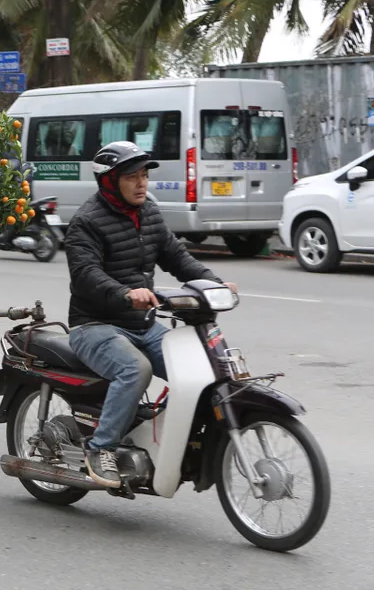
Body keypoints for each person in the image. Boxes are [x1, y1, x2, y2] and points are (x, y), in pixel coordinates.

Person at [64, 141, 237, 489]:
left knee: (201, 371)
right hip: (95, 326)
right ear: (110, 181)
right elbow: (86, 276)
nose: (142, 183)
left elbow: (177, 257)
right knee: (135, 369)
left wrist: (215, 285)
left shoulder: (149, 213)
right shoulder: (86, 221)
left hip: (142, 323)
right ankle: (101, 448)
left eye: (144, 176)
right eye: (132, 177)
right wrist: (126, 294)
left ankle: (155, 433)